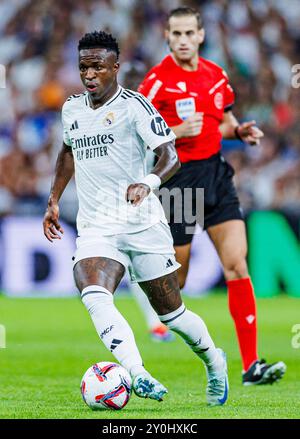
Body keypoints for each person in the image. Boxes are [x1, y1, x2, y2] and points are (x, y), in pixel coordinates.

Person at [43, 30, 229, 406]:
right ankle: (137, 372)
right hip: (97, 226)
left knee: (173, 315)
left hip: (142, 223)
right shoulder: (72, 109)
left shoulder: (136, 106)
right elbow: (68, 152)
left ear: (115, 67)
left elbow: (170, 156)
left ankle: (214, 360)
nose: (90, 75)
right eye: (83, 67)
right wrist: (53, 199)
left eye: (97, 66)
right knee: (93, 292)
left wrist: (147, 182)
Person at [138, 6, 287, 386]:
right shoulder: (156, 82)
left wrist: (240, 132)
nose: (183, 40)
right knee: (178, 280)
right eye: (176, 34)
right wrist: (173, 128)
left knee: (237, 263)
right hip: (180, 182)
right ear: (167, 37)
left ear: (201, 36)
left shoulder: (216, 75)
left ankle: (251, 365)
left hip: (217, 175)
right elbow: (137, 134)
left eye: (190, 33)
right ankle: (148, 340)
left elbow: (224, 120)